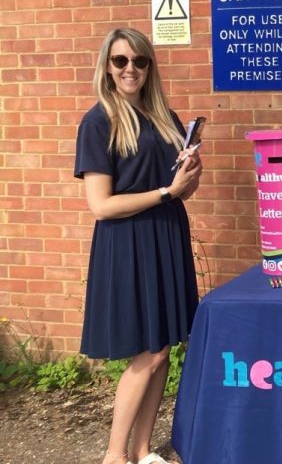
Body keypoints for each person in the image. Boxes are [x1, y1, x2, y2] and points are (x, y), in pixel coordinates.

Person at [74, 28, 203, 464]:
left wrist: (187, 177)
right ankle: (115, 455)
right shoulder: (98, 121)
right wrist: (167, 192)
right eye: (120, 61)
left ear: (150, 66)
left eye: (139, 61)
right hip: (128, 243)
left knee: (164, 346)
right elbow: (101, 204)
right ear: (107, 67)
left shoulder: (164, 116)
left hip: (166, 235)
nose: (130, 69)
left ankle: (143, 450)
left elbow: (181, 191)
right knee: (147, 352)